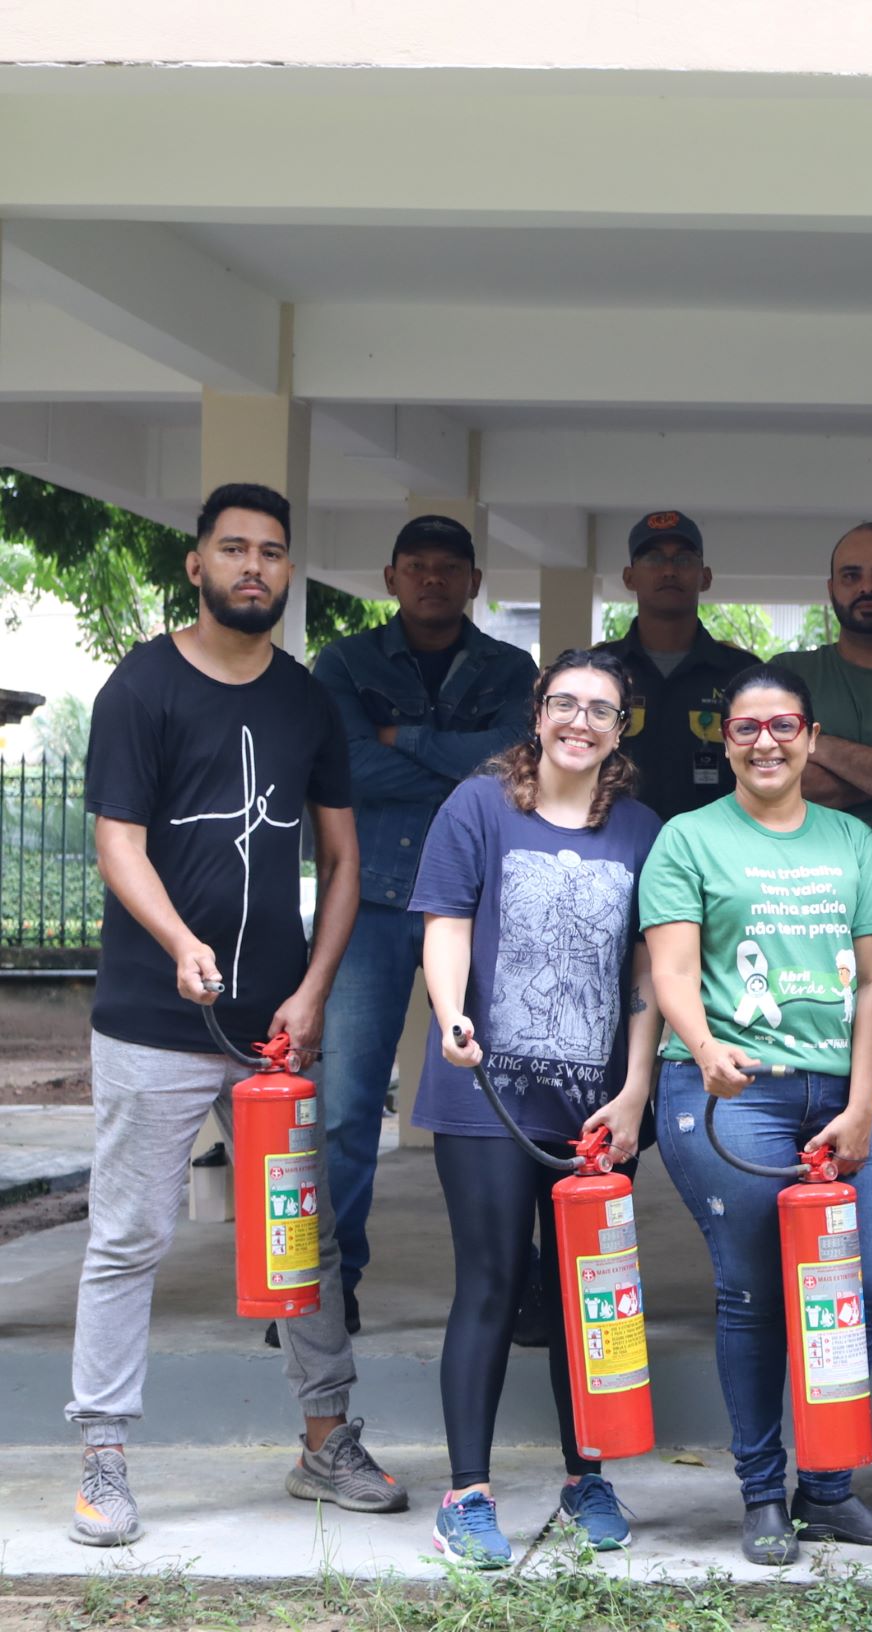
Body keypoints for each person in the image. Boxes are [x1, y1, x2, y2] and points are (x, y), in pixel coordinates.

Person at [68, 482, 406, 1546]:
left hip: (276, 1031)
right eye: (233, 549)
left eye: (270, 552)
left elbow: (345, 858)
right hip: (151, 1024)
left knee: (301, 1243)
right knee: (130, 1238)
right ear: (197, 566)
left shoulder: (307, 701)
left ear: (286, 570)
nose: (253, 567)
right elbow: (118, 842)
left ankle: (324, 1443)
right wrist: (179, 943)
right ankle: (104, 1461)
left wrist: (311, 988)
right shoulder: (142, 687)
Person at [641, 662, 872, 1562]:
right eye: (747, 728)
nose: (766, 742)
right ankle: (764, 1493)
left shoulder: (849, 839)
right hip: (731, 1092)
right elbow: (672, 972)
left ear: (809, 737)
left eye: (783, 726)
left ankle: (828, 1490)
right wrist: (706, 1044)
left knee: (864, 1288)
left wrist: (867, 1103)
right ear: (725, 740)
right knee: (756, 1292)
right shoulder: (687, 838)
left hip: (842, 1094)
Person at [411, 648, 663, 1565]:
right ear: (538, 711)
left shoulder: (642, 830)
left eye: (601, 709)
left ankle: (585, 1476)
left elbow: (650, 971)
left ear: (620, 726)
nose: (581, 722)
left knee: (582, 1297)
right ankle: (467, 1496)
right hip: (484, 1098)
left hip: (595, 1112)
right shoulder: (478, 807)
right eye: (566, 704)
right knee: (488, 1283)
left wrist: (635, 1089)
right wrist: (450, 1017)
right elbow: (445, 925)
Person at [310, 514, 536, 1337]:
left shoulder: (513, 668)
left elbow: (515, 762)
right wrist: (451, 757)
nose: (433, 579)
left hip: (478, 906)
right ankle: (333, 1288)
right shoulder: (344, 662)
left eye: (450, 567)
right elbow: (342, 762)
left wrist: (400, 736)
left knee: (506, 1098)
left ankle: (515, 1282)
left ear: (474, 581)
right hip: (365, 902)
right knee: (344, 1105)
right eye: (417, 566)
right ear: (391, 575)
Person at [597, 510, 760, 822]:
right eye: (654, 559)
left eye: (684, 560)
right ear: (629, 577)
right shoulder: (598, 670)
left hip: (714, 854)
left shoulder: (743, 674)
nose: (669, 570)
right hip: (613, 846)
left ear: (705, 577)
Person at [775, 521, 872, 833]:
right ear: (831, 587)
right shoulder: (786, 674)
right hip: (802, 874)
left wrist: (824, 748)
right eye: (851, 576)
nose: (867, 588)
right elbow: (781, 785)